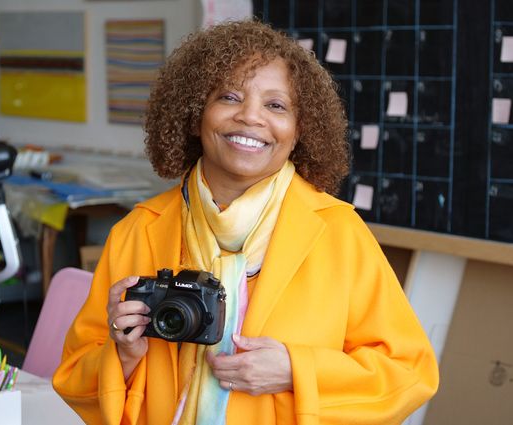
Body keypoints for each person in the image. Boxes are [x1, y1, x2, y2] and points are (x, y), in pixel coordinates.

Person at [53, 20, 438, 425]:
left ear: (298, 129)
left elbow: (409, 373)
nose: (251, 117)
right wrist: (123, 355)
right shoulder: (138, 230)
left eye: (276, 105)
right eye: (229, 97)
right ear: (195, 112)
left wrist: (296, 370)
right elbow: (73, 375)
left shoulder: (339, 233)